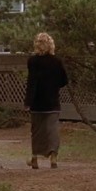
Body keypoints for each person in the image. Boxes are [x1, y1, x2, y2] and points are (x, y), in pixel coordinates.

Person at [24, 32, 68, 169]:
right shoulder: (57, 61)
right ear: (51, 45)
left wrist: (28, 101)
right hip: (52, 100)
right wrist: (54, 86)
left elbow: (31, 82)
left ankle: (35, 157)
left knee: (37, 130)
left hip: (37, 101)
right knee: (52, 129)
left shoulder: (32, 61)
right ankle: (53, 156)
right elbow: (64, 80)